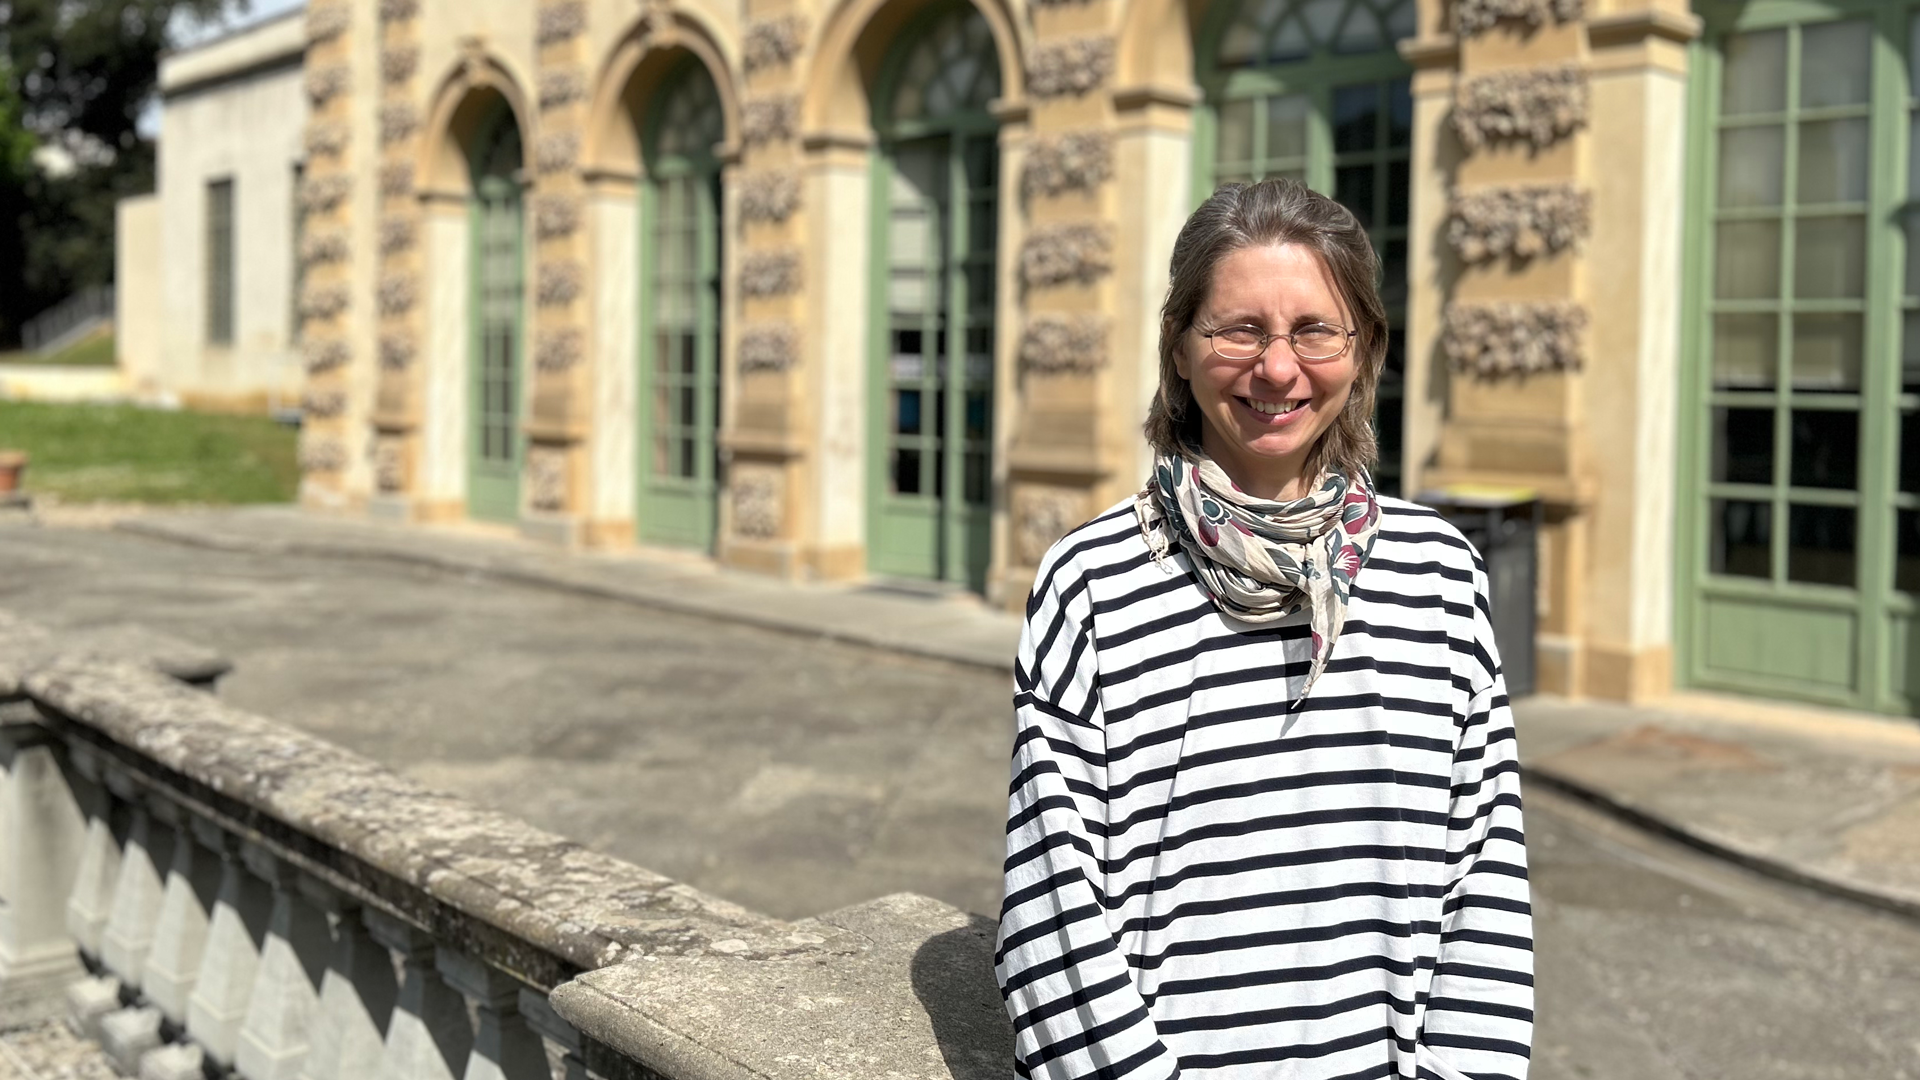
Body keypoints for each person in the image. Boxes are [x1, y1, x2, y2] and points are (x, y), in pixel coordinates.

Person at [995, 179, 1533, 1080]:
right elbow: (1053, 914)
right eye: (1239, 330)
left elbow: (1486, 879)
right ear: (1179, 347)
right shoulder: (1092, 581)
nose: (1278, 370)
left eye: (1315, 330)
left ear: (1363, 351)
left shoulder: (1440, 573)